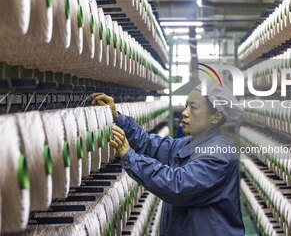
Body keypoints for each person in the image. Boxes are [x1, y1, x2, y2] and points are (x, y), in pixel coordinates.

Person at [91, 83, 245, 236]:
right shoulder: (187, 144)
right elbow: (149, 144)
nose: (184, 113)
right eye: (185, 106)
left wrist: (129, 156)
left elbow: (178, 185)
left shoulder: (219, 154)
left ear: (216, 116)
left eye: (194, 108)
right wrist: (117, 117)